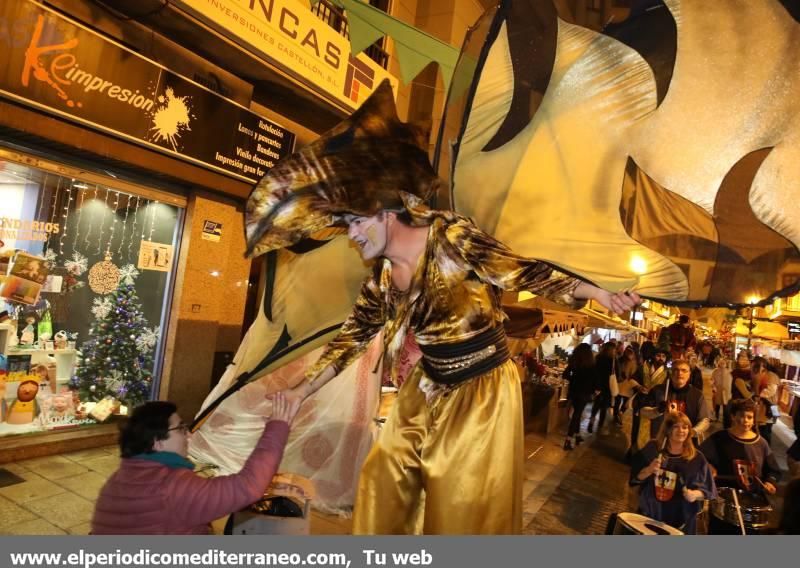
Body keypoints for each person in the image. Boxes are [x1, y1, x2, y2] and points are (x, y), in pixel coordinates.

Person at [246, 81, 642, 534]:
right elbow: (352, 338)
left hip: (482, 389)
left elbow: (520, 271)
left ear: (384, 211)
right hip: (427, 385)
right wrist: (298, 392)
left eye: (355, 222)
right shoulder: (382, 277)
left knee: (459, 508)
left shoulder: (450, 236)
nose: (352, 235)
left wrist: (596, 292)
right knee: (383, 477)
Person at [91, 394, 300, 534]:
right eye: (181, 428)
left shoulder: (118, 479)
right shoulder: (171, 486)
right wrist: (278, 424)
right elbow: (248, 487)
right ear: (158, 442)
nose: (188, 435)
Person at [699, 398, 780, 534]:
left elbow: (773, 470)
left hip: (751, 501)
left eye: (749, 417)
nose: (746, 420)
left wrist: (770, 482)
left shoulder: (762, 444)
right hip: (724, 499)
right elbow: (698, 456)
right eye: (742, 416)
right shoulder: (720, 438)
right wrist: (708, 465)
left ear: (754, 420)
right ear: (733, 416)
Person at [630, 411, 716, 534]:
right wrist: (649, 470)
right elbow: (635, 478)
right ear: (667, 429)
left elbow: (709, 490)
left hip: (681, 520)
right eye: (676, 426)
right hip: (651, 514)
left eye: (685, 427)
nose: (681, 431)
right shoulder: (653, 448)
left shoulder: (697, 458)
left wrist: (695, 494)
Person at [640, 359, 711, 446]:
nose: (679, 373)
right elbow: (643, 411)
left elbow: (705, 420)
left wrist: (692, 432)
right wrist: (657, 410)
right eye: (676, 370)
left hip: (687, 443)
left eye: (684, 370)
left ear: (689, 374)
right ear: (670, 373)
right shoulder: (658, 390)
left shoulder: (697, 395)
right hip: (662, 440)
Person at [562, 343, 597, 450]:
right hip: (584, 393)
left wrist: (573, 379)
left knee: (577, 413)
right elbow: (594, 380)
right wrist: (594, 391)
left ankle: (577, 436)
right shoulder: (591, 364)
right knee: (577, 415)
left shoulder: (574, 362)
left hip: (574, 391)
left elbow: (565, 374)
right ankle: (568, 440)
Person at [749, 356, 780, 444]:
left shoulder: (772, 376)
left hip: (770, 407)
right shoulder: (756, 374)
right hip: (761, 406)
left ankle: (766, 449)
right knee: (760, 428)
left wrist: (758, 395)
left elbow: (770, 391)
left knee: (766, 430)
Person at [589, 342, 617, 434]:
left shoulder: (598, 357)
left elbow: (593, 371)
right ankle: (600, 425)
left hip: (598, 385)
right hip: (608, 386)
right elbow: (618, 373)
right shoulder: (613, 360)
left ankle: (592, 421)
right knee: (604, 407)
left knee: (596, 404)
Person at [711, 357, 733, 422]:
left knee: (725, 406)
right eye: (721, 363)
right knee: (717, 405)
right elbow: (712, 381)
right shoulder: (715, 371)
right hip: (718, 391)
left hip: (727, 392)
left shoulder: (729, 371)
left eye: (723, 363)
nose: (722, 364)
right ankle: (716, 416)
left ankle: (725, 418)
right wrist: (713, 387)